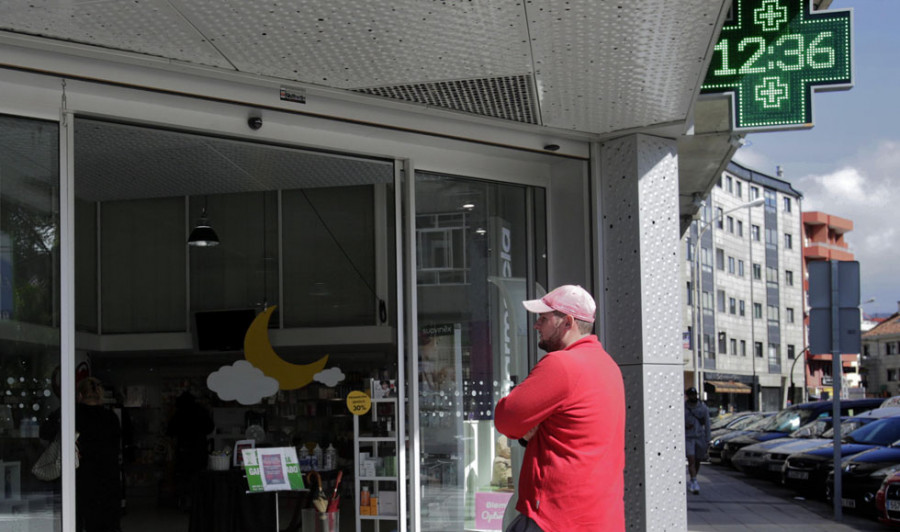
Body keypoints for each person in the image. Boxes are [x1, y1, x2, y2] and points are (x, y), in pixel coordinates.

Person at [494, 285, 625, 531]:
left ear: (568, 322)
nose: (537, 325)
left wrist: (529, 428)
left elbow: (505, 418)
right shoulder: (609, 366)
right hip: (599, 516)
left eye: (543, 318)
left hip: (555, 518)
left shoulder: (561, 365)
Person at [75, 377, 122, 532]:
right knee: (108, 521)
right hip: (109, 476)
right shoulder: (111, 417)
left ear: (80, 395)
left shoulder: (74, 416)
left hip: (84, 476)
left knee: (85, 519)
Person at [684, 386, 711, 495]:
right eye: (691, 395)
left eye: (694, 395)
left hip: (700, 437)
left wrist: (708, 439)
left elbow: (707, 424)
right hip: (688, 437)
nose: (693, 397)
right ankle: (694, 481)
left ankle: (693, 478)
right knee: (691, 459)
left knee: (697, 460)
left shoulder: (703, 408)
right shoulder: (684, 408)